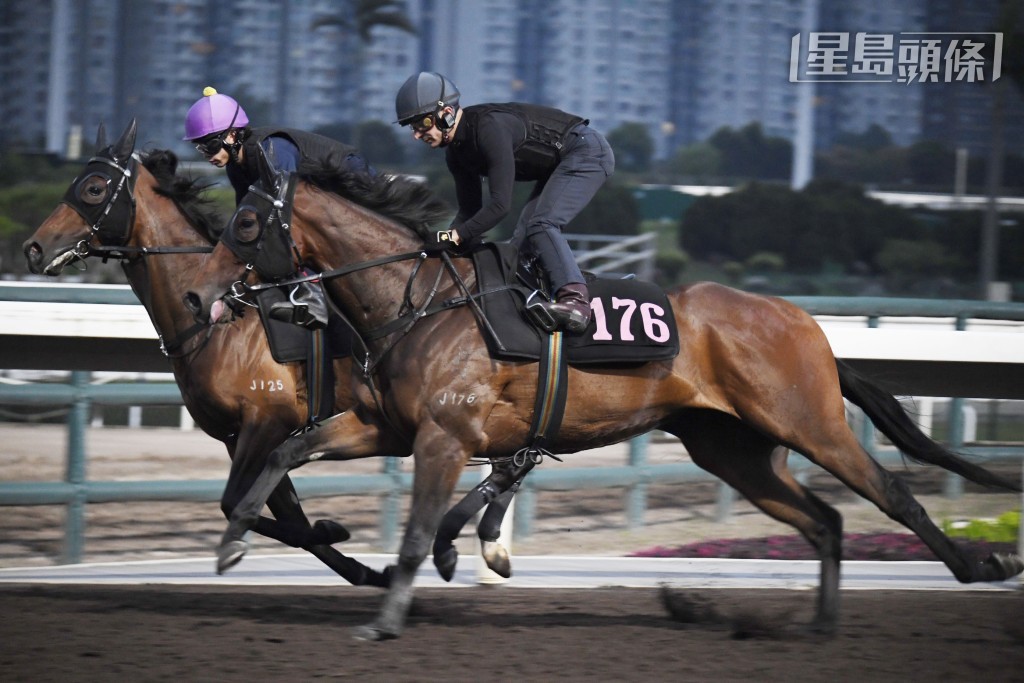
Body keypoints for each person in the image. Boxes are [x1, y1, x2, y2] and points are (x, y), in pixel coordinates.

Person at [395, 72, 615, 334]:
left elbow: (500, 205)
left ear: (446, 113)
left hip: (586, 152)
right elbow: (469, 213)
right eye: (413, 127)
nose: (418, 135)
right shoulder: (456, 154)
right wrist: (444, 247)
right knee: (518, 250)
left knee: (541, 225)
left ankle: (576, 302)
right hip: (558, 165)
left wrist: (452, 236)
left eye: (422, 124)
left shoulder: (489, 128)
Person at [183, 86, 376, 328]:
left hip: (352, 180)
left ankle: (311, 294)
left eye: (209, 146)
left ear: (232, 135)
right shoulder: (236, 167)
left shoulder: (271, 149)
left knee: (284, 225)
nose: (206, 154)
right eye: (200, 148)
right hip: (321, 196)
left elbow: (287, 211)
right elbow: (246, 220)